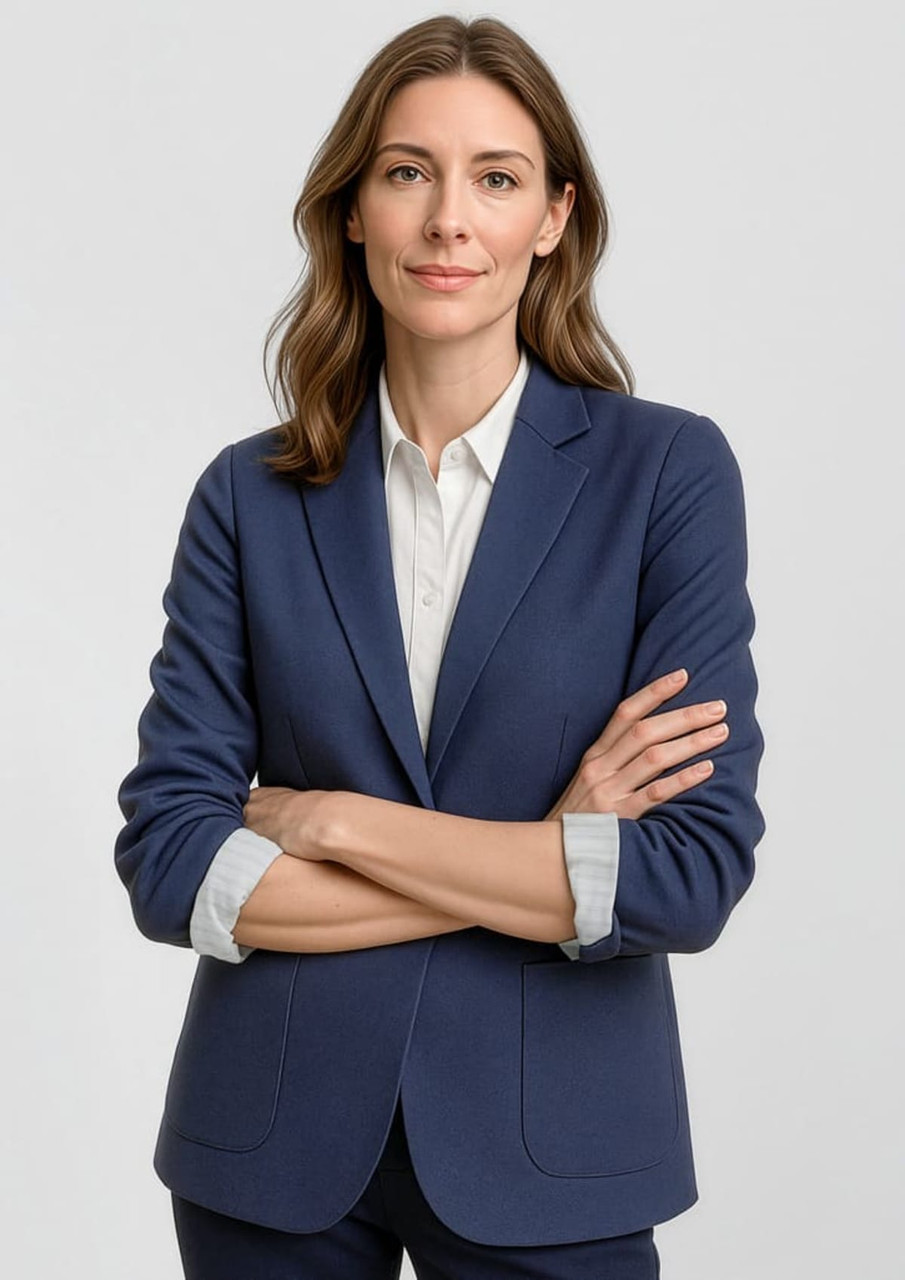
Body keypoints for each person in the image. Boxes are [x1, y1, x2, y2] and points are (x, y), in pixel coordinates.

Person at [114, 13, 765, 1279]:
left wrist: (333, 823)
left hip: (555, 1146)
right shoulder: (247, 497)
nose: (448, 219)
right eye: (407, 171)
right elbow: (170, 859)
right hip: (271, 1152)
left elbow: (684, 874)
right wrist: (542, 852)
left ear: (554, 217)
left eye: (496, 178)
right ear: (353, 209)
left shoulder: (667, 476)